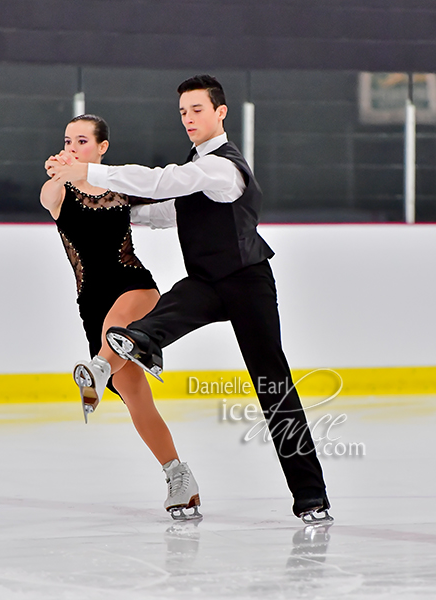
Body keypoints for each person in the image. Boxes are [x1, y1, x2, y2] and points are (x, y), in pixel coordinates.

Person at [47, 77, 333, 524]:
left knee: (272, 385)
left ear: (220, 113)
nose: (188, 119)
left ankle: (312, 497)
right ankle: (131, 344)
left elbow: (165, 183)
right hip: (206, 282)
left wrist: (90, 173)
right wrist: (91, 203)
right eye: (183, 112)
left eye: (196, 110)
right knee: (168, 309)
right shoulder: (194, 169)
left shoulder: (222, 167)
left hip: (246, 281)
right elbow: (160, 212)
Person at [41, 114, 201, 521]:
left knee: (114, 340)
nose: (73, 145)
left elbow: (170, 205)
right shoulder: (58, 192)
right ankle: (178, 477)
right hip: (91, 303)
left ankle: (96, 369)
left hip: (134, 286)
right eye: (68, 139)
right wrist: (62, 173)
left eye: (81, 139)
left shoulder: (119, 186)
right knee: (135, 396)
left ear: (102, 147)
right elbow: (48, 196)